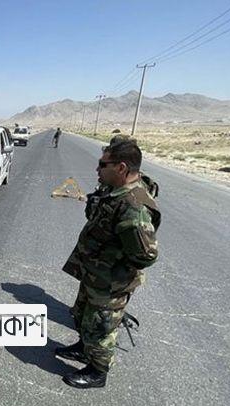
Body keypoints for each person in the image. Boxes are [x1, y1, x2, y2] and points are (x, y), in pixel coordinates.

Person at [56, 135, 160, 388]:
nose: (97, 169)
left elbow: (145, 255)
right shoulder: (114, 190)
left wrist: (114, 262)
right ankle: (84, 349)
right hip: (95, 273)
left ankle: (97, 372)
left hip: (110, 281)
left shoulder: (133, 207)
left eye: (103, 165)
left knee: (101, 327)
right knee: (83, 315)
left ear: (121, 168)